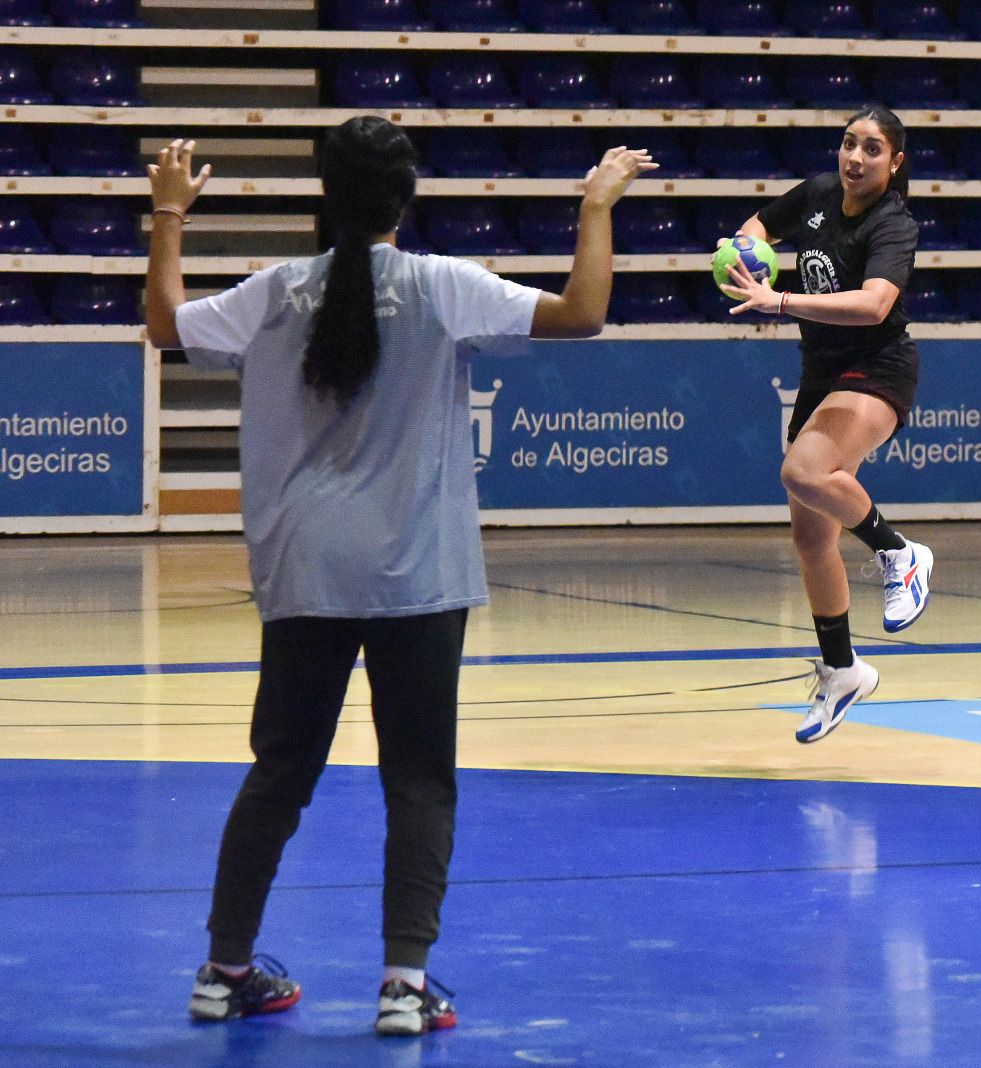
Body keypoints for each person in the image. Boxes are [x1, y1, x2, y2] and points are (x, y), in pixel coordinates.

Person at [144, 118, 655, 1036]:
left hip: (304, 569)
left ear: (322, 196)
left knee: (279, 774)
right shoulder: (441, 286)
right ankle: (404, 986)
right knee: (419, 781)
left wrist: (170, 216)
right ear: (405, 197)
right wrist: (594, 205)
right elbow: (583, 311)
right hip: (419, 574)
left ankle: (223, 971)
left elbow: (164, 323)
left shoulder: (273, 292)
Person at [718, 104, 932, 745]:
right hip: (821, 372)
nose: (854, 158)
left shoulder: (894, 224)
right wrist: (747, 253)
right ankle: (842, 669)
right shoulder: (816, 195)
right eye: (848, 144)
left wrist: (778, 298)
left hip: (878, 366)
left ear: (893, 164)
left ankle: (901, 553)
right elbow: (759, 222)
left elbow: (872, 306)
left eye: (871, 149)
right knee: (811, 536)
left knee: (805, 470)